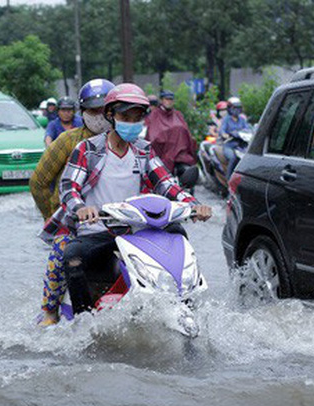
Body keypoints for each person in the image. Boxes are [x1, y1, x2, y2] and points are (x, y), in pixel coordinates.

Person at [41, 83, 212, 315]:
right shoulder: (87, 149)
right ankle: (84, 321)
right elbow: (69, 187)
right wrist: (81, 208)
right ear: (110, 115)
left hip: (137, 230)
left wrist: (193, 205)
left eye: (137, 117)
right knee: (72, 257)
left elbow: (166, 183)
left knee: (178, 234)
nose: (131, 123)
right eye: (125, 116)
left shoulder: (144, 149)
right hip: (99, 230)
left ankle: (188, 307)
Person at [30, 78, 115, 326]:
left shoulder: (128, 143)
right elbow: (38, 182)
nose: (99, 116)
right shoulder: (68, 141)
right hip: (75, 220)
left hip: (117, 219)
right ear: (83, 112)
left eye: (104, 110)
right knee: (60, 255)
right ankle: (50, 313)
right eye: (93, 110)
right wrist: (52, 214)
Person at [144, 90, 198, 190]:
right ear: (161, 100)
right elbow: (152, 135)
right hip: (162, 155)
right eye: (166, 99)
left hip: (180, 156)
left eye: (171, 99)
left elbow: (186, 133)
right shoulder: (154, 115)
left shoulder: (178, 115)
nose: (169, 102)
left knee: (189, 174)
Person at [218, 97, 250, 179]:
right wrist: (225, 134)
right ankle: (229, 179)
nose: (237, 110)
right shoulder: (226, 119)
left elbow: (248, 129)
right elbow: (222, 131)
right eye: (235, 108)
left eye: (239, 108)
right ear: (229, 109)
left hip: (241, 145)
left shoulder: (242, 119)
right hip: (229, 145)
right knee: (233, 157)